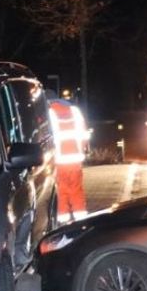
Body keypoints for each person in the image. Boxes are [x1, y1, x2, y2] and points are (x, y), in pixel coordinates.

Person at [48, 94, 88, 223]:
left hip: (59, 161)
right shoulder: (75, 111)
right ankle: (81, 220)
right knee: (76, 190)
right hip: (75, 159)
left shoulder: (49, 113)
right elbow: (84, 134)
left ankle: (63, 222)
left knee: (62, 191)